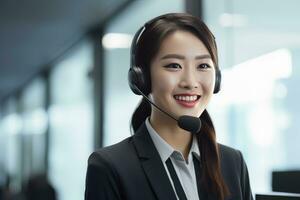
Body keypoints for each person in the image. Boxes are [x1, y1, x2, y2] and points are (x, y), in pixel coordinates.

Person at [85, 13, 253, 200]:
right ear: (142, 78)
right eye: (174, 65)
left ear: (217, 78)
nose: (190, 82)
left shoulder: (232, 163)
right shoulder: (110, 167)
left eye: (203, 66)